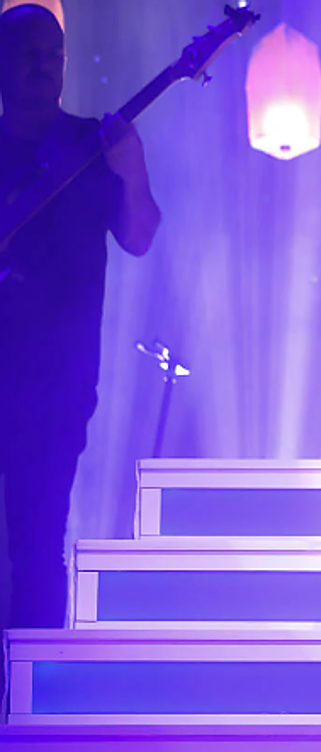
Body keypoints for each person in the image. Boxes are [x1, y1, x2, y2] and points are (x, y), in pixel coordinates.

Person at [0, 3, 160, 632]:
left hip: (57, 387)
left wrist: (134, 168)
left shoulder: (93, 145)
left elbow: (140, 236)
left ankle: (27, 710)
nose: (42, 65)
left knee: (39, 542)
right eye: (27, 53)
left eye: (51, 54)